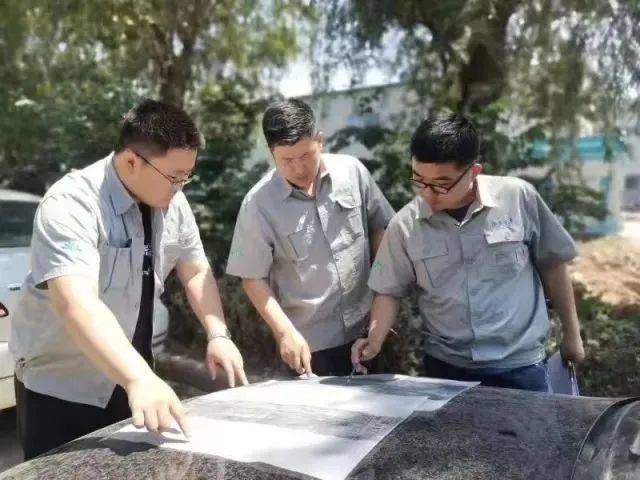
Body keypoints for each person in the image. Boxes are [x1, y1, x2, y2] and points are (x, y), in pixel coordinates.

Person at [10, 99, 247, 460]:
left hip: (131, 379)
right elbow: (76, 302)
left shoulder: (173, 202)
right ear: (131, 161)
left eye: (187, 177)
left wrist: (218, 334)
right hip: (62, 388)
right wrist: (140, 378)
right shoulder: (71, 203)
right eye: (174, 177)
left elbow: (195, 269)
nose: (181, 187)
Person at [352, 114, 585, 392]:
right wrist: (375, 338)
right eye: (419, 180)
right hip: (447, 368)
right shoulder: (404, 226)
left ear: (473, 172)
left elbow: (554, 264)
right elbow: (388, 290)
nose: (428, 193)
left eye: (442, 183)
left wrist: (572, 334)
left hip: (521, 366)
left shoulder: (518, 198)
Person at [226, 98, 394, 376]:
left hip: (368, 331)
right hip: (309, 344)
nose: (298, 168)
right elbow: (252, 277)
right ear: (271, 153)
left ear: (320, 140)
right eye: (286, 160)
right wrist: (284, 332)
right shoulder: (258, 204)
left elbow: (382, 229)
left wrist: (382, 299)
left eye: (306, 155)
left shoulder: (352, 172)